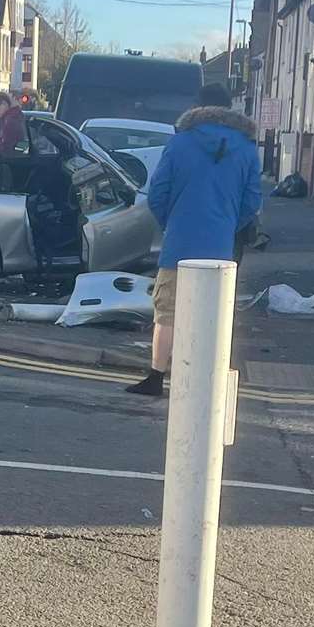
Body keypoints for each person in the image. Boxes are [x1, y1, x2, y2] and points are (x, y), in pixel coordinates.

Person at [127, 82, 261, 397]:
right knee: (215, 312)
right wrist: (228, 224)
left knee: (167, 311)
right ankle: (207, 378)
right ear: (231, 109)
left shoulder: (180, 143)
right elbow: (252, 202)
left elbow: (157, 194)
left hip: (179, 243)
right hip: (221, 245)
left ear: (198, 107)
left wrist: (172, 223)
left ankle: (156, 377)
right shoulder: (246, 147)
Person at [0, 89, 26, 156]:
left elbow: (6, 149)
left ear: (4, 103)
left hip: (11, 163)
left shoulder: (10, 121)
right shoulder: (13, 117)